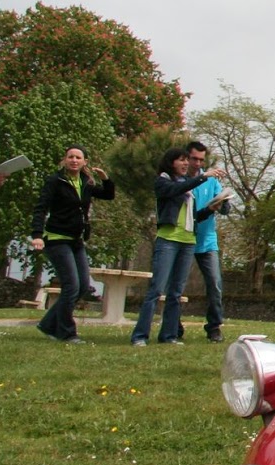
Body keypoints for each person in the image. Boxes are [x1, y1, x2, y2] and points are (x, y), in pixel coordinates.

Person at [130, 148, 226, 346]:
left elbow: (194, 217)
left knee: (176, 292)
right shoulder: (163, 182)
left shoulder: (186, 187)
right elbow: (174, 191)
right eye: (182, 161)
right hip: (168, 240)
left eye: (186, 161)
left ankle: (169, 335)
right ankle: (140, 336)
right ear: (171, 162)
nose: (186, 164)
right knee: (156, 290)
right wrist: (204, 177)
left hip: (187, 242)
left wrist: (210, 209)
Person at [29, 145, 115, 344]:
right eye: (71, 157)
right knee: (71, 286)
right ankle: (67, 333)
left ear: (84, 161)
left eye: (78, 157)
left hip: (76, 240)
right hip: (57, 239)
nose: (74, 160)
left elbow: (108, 195)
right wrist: (37, 234)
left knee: (83, 285)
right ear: (64, 160)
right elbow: (40, 209)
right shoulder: (55, 181)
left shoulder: (86, 182)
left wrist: (105, 179)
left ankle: (48, 324)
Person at [187, 141, 230, 342]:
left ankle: (214, 327)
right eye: (194, 159)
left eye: (201, 160)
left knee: (215, 283)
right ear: (186, 158)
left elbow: (224, 209)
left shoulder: (211, 181)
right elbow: (194, 216)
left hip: (207, 241)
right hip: (185, 240)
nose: (197, 163)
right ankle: (173, 326)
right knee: (176, 286)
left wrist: (223, 202)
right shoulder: (181, 181)